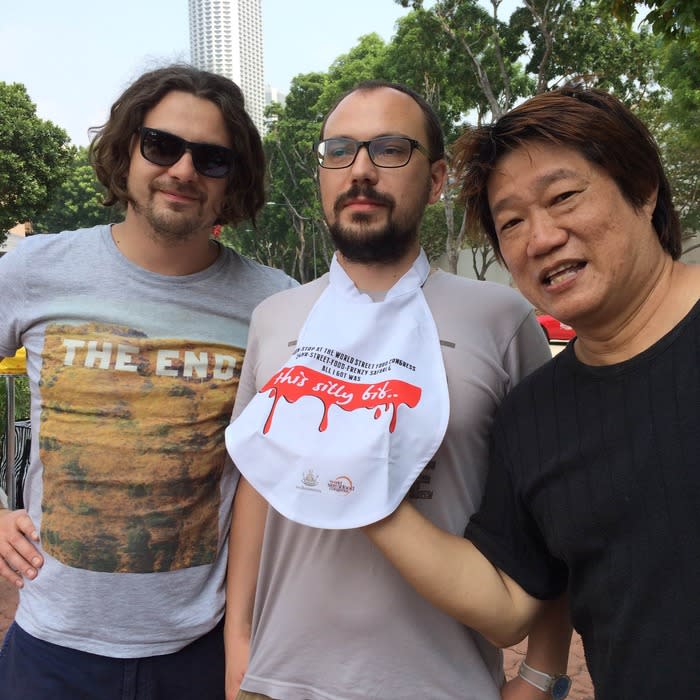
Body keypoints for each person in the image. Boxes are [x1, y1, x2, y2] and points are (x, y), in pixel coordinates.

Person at [223, 80, 573, 700]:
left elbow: (549, 504)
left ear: (436, 180)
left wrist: (543, 672)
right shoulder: (274, 319)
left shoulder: (501, 319)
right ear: (323, 175)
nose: (361, 170)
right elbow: (257, 482)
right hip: (280, 680)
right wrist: (240, 652)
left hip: (443, 681)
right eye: (340, 150)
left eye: (390, 149)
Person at [362, 87, 700, 700]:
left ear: (644, 188)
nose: (540, 238)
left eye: (564, 196)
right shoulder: (532, 415)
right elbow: (509, 601)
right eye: (512, 222)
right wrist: (360, 492)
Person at [0, 64, 296, 699]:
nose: (184, 171)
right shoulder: (33, 270)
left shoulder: (276, 304)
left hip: (201, 646)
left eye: (212, 159)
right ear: (126, 149)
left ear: (232, 180)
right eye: (162, 145)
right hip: (52, 645)